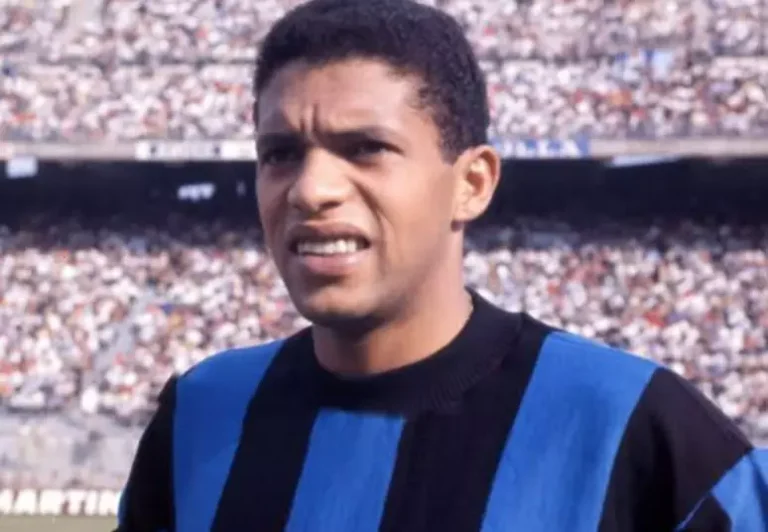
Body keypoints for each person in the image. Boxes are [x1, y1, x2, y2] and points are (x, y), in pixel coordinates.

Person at [116, 0, 768, 530]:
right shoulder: (200, 414)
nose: (311, 190)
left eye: (365, 148)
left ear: (472, 183)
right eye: (280, 154)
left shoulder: (636, 427)